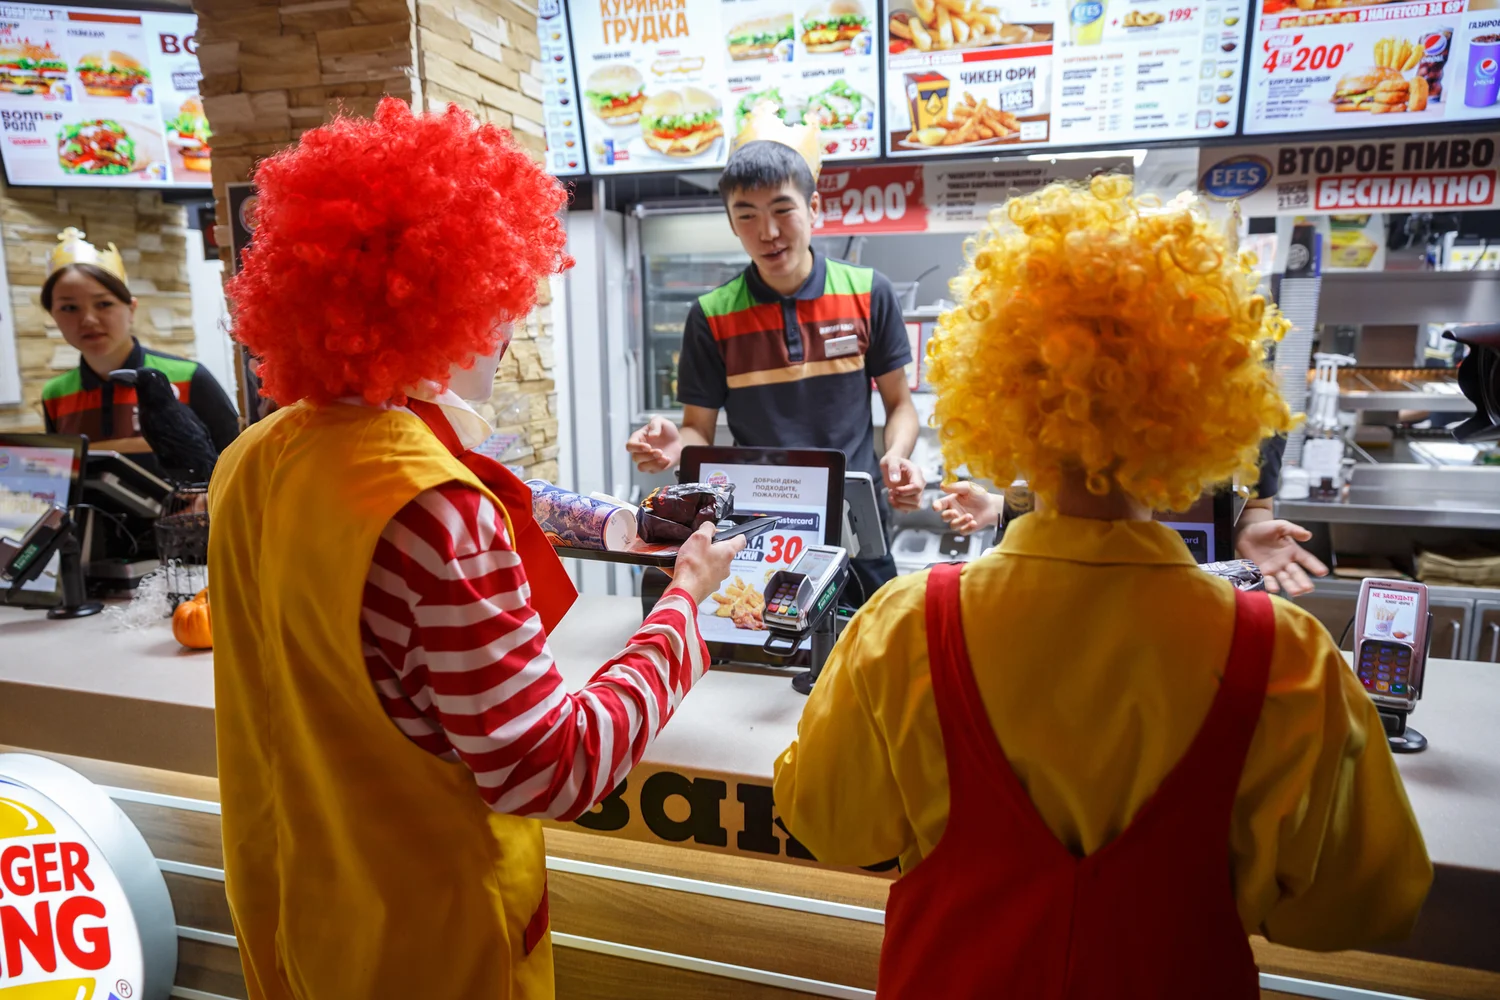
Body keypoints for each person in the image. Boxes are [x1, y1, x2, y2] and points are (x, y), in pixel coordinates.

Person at [774, 177, 1430, 997]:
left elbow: (830, 824)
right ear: (1205, 407)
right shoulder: (1286, 657)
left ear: (1001, 396)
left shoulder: (907, 626)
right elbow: (1361, 905)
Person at [208, 99, 744, 1000]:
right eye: (501, 306)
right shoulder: (435, 512)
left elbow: (494, 489)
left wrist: (618, 526)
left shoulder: (253, 457)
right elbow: (554, 767)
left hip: (294, 917)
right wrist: (684, 606)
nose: (508, 329)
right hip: (430, 946)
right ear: (446, 299)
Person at [626, 109, 922, 605]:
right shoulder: (712, 315)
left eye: (783, 210)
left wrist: (896, 456)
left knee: (871, 636)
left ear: (813, 207)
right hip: (761, 525)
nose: (767, 231)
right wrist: (678, 446)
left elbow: (900, 405)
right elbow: (698, 427)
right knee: (762, 638)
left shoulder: (869, 293)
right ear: (731, 223)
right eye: (747, 215)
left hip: (855, 517)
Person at [936, 435, 1332, 596]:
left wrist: (1246, 530)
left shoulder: (920, 615)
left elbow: (1256, 503)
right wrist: (1002, 507)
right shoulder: (1289, 647)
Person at [41, 228, 239, 461]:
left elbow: (239, 460)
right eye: (69, 308)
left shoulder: (188, 377)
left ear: (131, 309)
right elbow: (61, 471)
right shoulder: (55, 395)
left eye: (104, 304)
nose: (89, 320)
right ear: (52, 316)